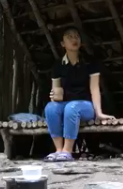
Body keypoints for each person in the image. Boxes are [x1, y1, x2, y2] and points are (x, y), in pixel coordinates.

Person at [44, 27, 114, 161]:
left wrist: (98, 113)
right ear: (62, 44)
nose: (74, 39)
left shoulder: (90, 62)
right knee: (50, 108)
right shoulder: (58, 65)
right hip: (65, 104)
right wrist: (54, 96)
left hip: (85, 106)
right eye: (69, 37)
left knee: (72, 107)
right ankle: (58, 150)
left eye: (76, 36)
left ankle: (67, 151)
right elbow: (56, 91)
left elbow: (94, 89)